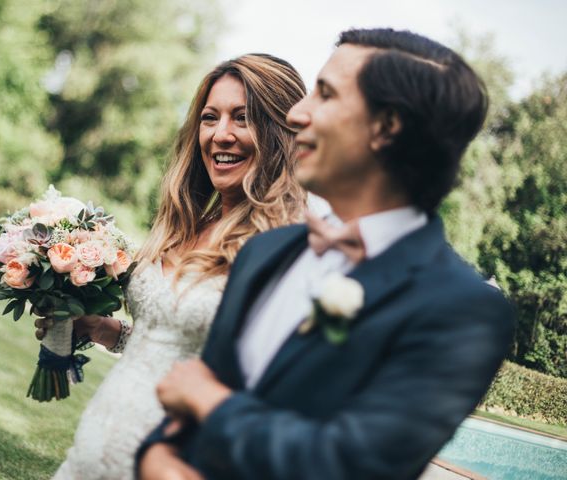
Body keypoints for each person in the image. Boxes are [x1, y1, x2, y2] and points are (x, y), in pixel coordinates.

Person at [137, 28, 515, 480]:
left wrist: (210, 402)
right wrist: (157, 458)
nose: (297, 114)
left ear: (386, 127)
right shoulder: (267, 252)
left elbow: (347, 465)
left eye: (326, 94)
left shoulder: (466, 310)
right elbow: (170, 437)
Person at [46, 53, 307, 480]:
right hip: (88, 455)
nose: (221, 134)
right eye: (210, 118)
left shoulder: (284, 252)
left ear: (280, 132)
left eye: (243, 118)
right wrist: (104, 329)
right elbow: (175, 348)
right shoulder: (185, 227)